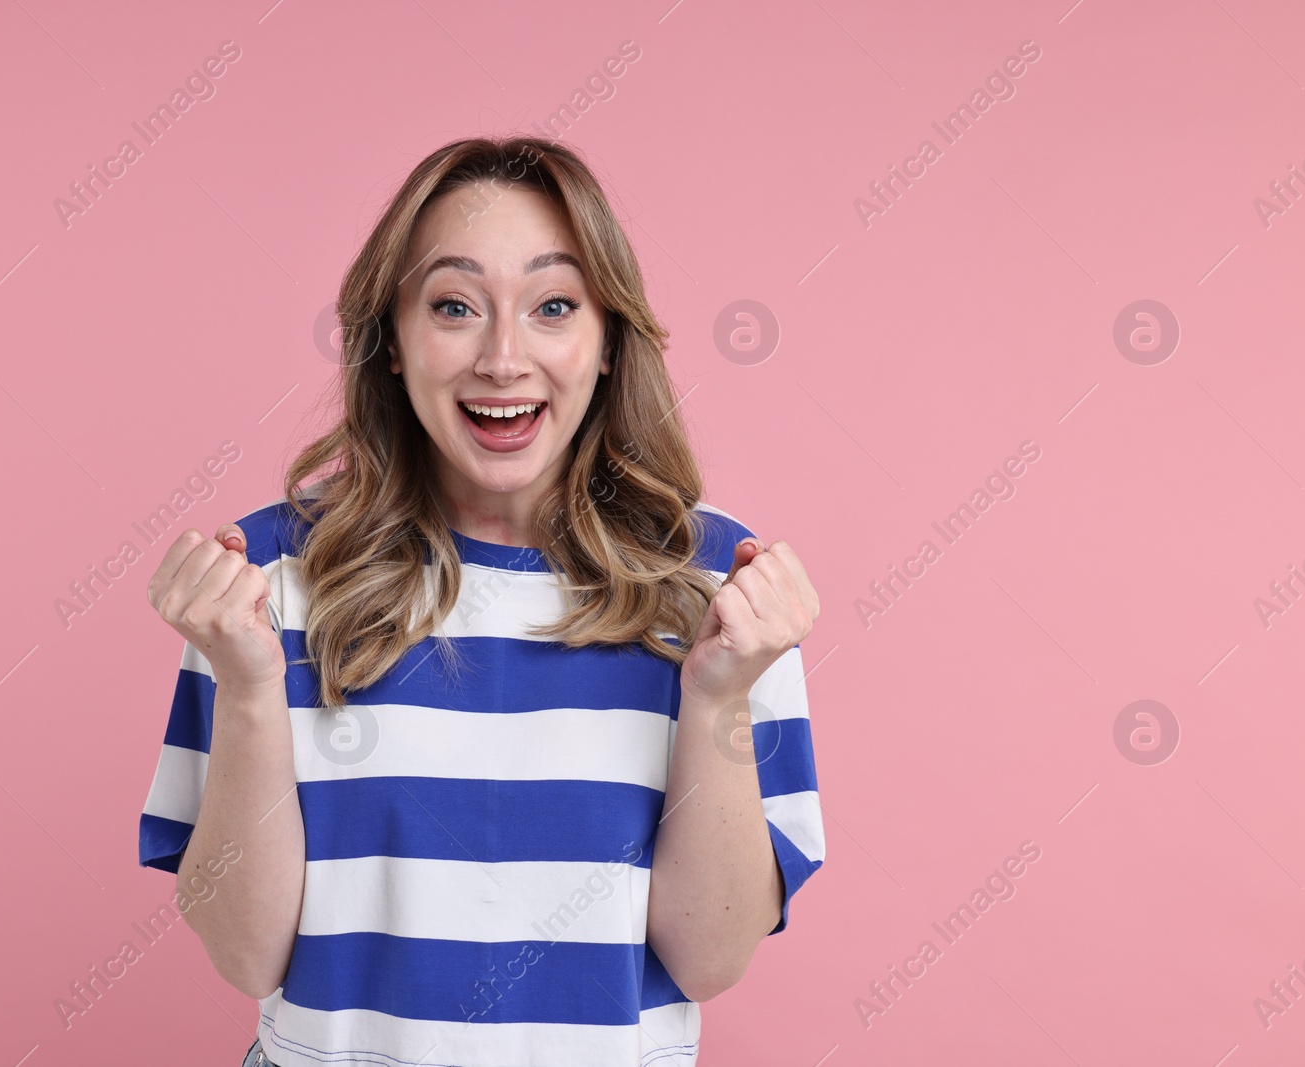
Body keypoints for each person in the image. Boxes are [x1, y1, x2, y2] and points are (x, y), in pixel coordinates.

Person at [138, 135, 826, 1067]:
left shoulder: (715, 588)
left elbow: (707, 958)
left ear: (609, 341)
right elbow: (244, 950)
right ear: (390, 341)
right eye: (454, 306)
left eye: (553, 306)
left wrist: (719, 695)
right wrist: (253, 688)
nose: (504, 359)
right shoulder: (264, 580)